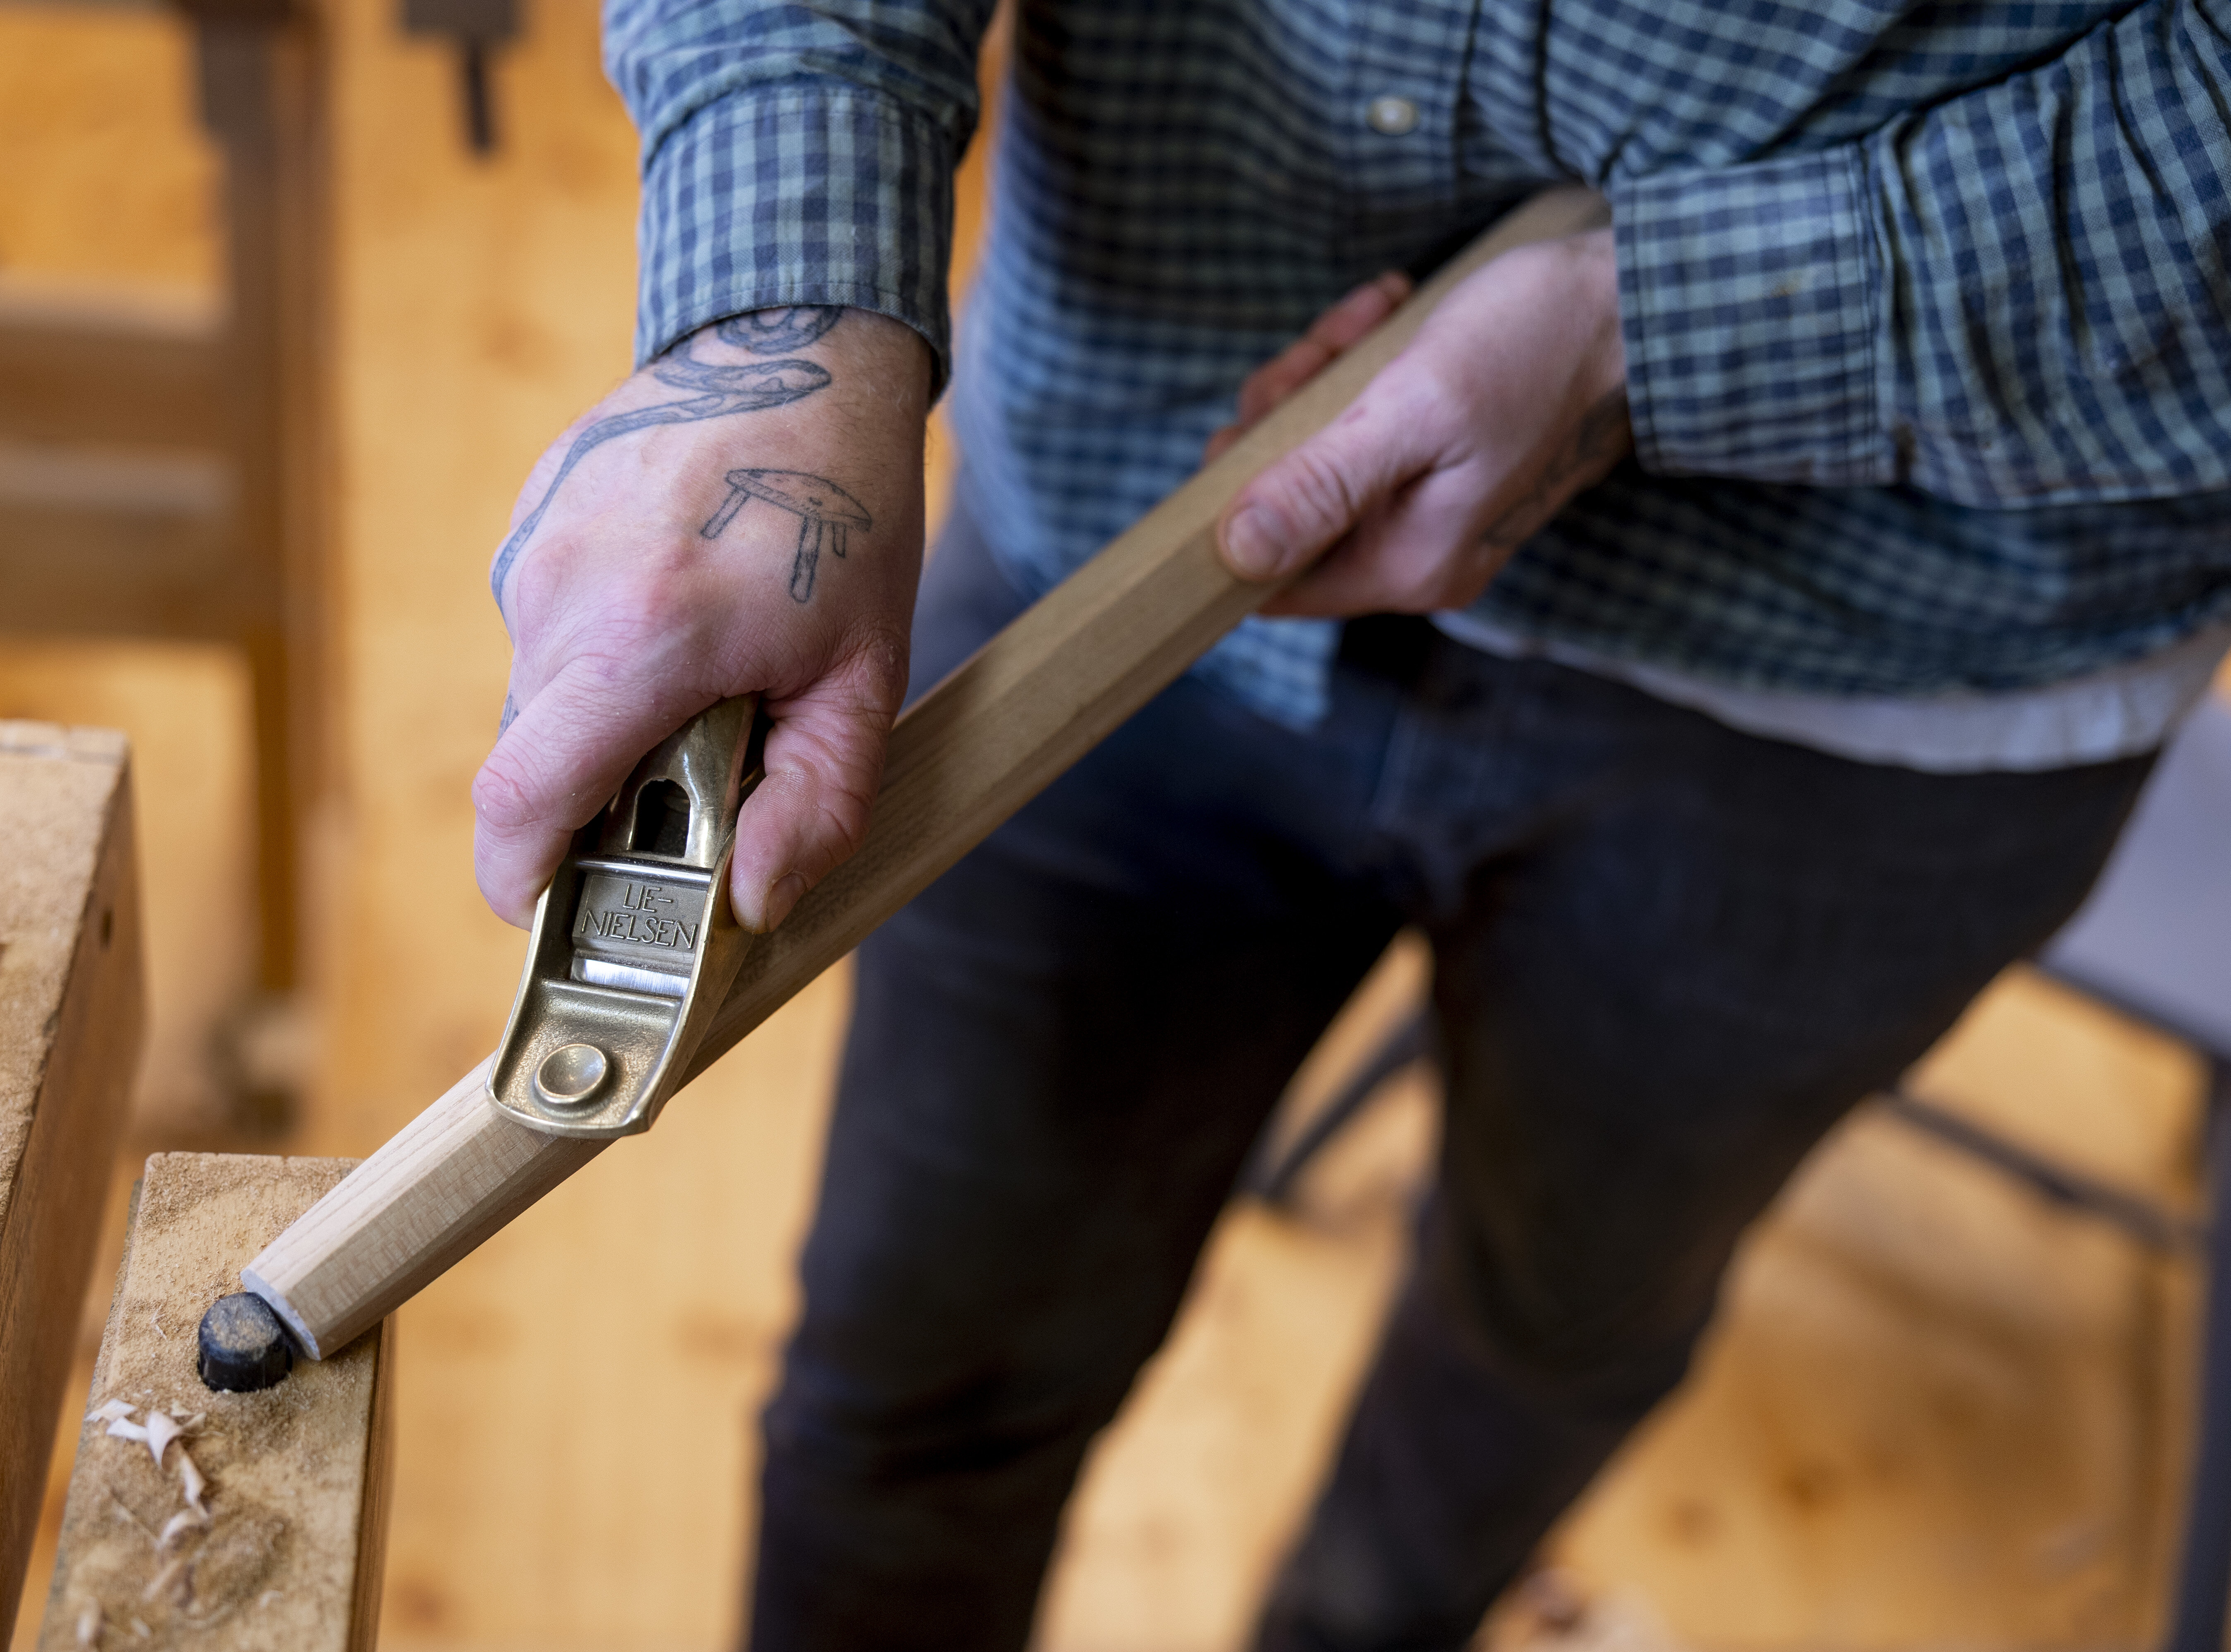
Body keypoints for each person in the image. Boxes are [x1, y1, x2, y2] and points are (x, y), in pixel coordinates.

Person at [474, 2, 2231, 1645]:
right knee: (918, 1387)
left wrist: (1663, 318)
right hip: (1121, 514)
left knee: (1533, 1356)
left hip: (1897, 683)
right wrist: (781, 319)